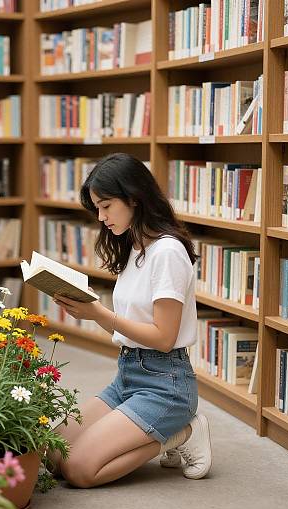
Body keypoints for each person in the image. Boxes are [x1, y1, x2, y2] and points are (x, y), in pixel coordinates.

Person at [50, 153, 212, 489]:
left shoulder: (167, 253)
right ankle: (160, 431)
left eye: (106, 206)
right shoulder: (135, 248)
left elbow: (163, 338)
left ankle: (181, 432)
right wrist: (89, 311)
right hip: (128, 374)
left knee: (79, 470)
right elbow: (130, 327)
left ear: (134, 199)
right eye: (97, 208)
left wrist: (100, 314)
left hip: (166, 384)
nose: (101, 216)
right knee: (52, 453)